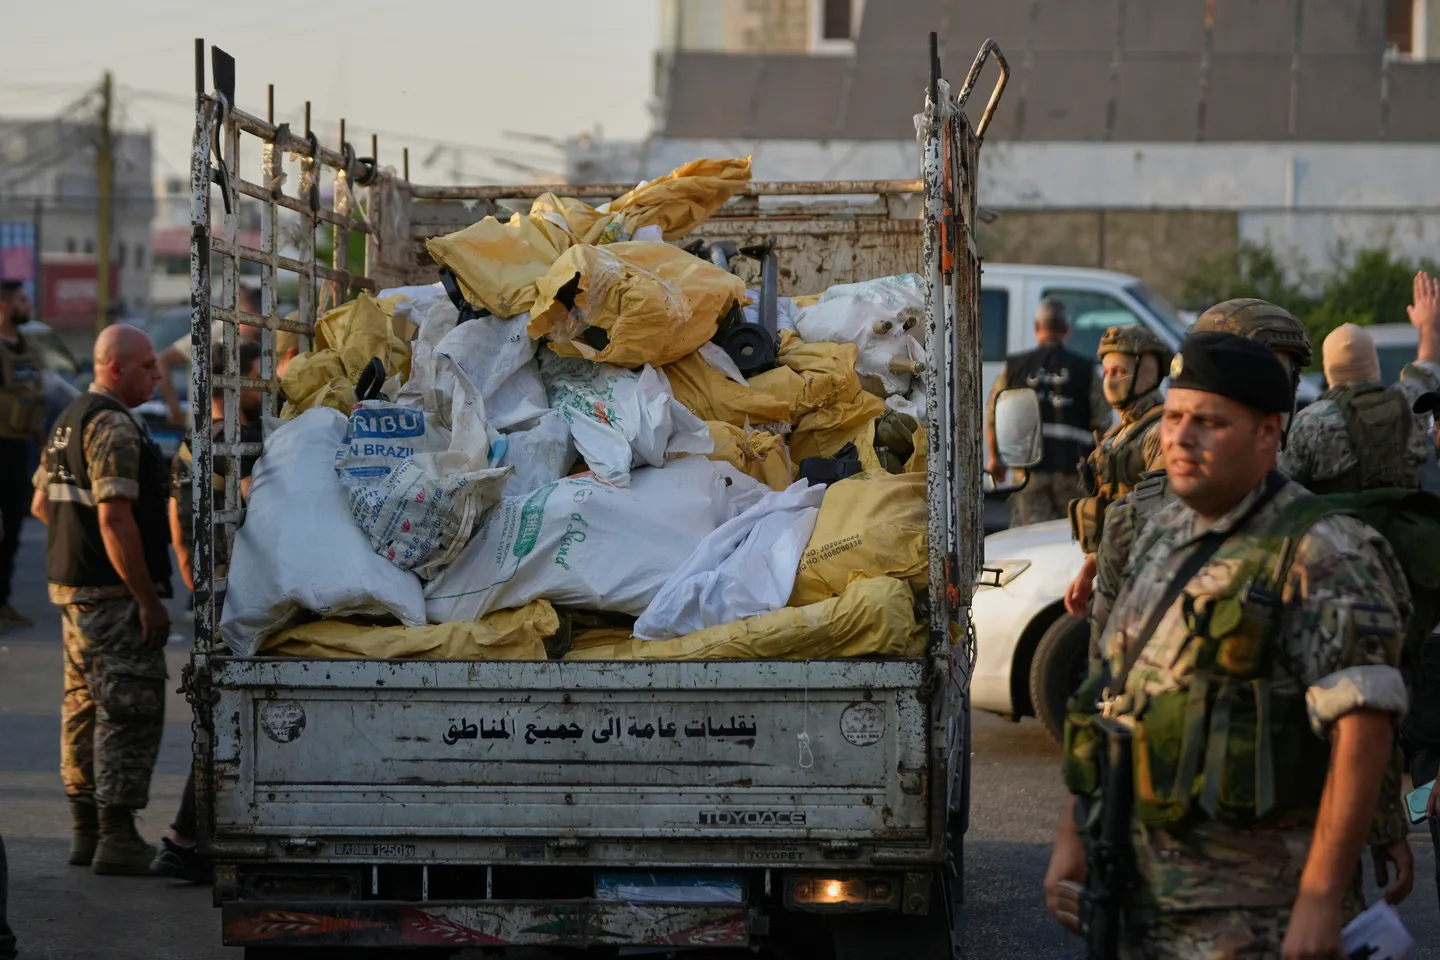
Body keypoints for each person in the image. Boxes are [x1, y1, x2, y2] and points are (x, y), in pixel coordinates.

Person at [1046, 332, 1411, 958]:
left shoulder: (1323, 551)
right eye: (1176, 417)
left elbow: (1364, 725)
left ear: (1269, 434)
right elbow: (1110, 697)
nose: (1181, 438)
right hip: (1144, 899)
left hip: (1263, 916)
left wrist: (1322, 896)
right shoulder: (1161, 536)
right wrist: (1071, 839)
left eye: (1211, 423)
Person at [30, 323, 173, 876]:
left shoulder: (69, 420)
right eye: (147, 368)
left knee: (83, 710)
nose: (158, 376)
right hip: (112, 597)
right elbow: (114, 518)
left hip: (73, 593)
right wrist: (146, 599)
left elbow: (43, 505)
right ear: (115, 367)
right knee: (127, 711)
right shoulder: (112, 425)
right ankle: (116, 836)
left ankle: (84, 832)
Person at [151, 341, 264, 883]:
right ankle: (184, 836)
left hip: (207, 592)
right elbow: (257, 513)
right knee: (226, 717)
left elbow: (177, 526)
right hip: (240, 594)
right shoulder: (240, 443)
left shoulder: (191, 446)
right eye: (257, 375)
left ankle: (191, 837)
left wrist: (195, 580)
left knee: (215, 712)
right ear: (239, 380)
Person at [1280, 272, 1440, 491]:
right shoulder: (1409, 403)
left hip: (1337, 525)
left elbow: (1284, 485)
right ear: (1374, 364)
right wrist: (1428, 324)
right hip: (1404, 523)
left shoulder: (1310, 422)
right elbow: (1429, 363)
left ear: (1328, 370)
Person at [1062, 325, 1172, 641]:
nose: (1110, 379)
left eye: (1120, 370)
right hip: (1116, 579)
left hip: (1145, 584)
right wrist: (1089, 571)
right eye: (1107, 370)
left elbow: (1158, 519)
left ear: (1149, 373)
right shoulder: (1119, 433)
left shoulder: (1160, 433)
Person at [986, 297, 1108, 526]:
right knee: (1074, 538)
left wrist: (996, 460)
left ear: (1036, 328)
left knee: (1030, 538)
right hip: (1074, 471)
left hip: (1028, 473)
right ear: (1067, 330)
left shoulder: (1014, 368)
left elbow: (994, 413)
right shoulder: (1085, 369)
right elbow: (1102, 421)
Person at [0, 279, 46, 631]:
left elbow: (35, 398)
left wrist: (44, 444)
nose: (26, 304)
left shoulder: (28, 347)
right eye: (20, 299)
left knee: (13, 528)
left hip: (20, 449)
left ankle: (2, 600)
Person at [155, 284, 263, 426]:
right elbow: (163, 360)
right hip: (210, 425)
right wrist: (174, 408)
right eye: (252, 307)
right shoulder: (216, 333)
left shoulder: (263, 338)